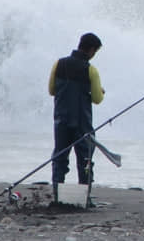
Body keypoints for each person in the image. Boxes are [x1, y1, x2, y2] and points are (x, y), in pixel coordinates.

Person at [48, 33, 105, 201]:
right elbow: (96, 99)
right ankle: (84, 198)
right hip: (82, 124)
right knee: (85, 161)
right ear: (92, 50)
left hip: (61, 121)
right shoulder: (91, 70)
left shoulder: (58, 64)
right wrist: (101, 92)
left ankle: (58, 195)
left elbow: (52, 90)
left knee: (60, 158)